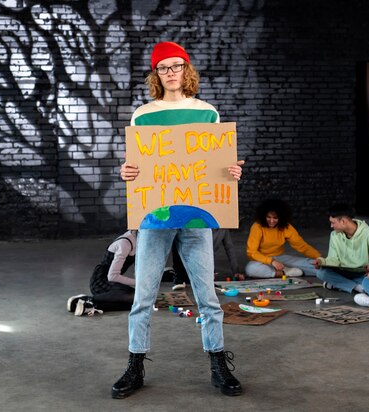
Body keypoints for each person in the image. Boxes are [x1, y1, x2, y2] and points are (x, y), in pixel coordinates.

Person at [113, 41, 244, 399]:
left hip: (197, 219)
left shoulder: (207, 113)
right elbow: (139, 166)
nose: (172, 73)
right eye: (164, 68)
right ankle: (135, 364)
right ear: (156, 74)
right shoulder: (143, 114)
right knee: (143, 295)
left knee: (207, 296)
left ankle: (218, 362)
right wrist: (127, 171)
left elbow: (215, 165)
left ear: (187, 69)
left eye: (177, 66)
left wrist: (230, 171)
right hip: (156, 218)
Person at [313, 204, 369, 294]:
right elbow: (333, 259)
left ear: (343, 221)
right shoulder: (334, 235)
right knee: (321, 273)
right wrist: (322, 262)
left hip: (363, 274)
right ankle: (356, 287)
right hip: (344, 273)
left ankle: (339, 285)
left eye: (333, 223)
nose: (331, 226)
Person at [66, 230, 137, 316]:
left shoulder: (137, 242)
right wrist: (138, 283)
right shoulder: (125, 244)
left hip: (112, 284)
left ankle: (89, 304)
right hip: (100, 281)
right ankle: (89, 300)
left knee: (138, 301)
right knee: (134, 297)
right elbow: (112, 277)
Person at [245, 198, 321, 278]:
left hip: (281, 258)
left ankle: (286, 270)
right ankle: (284, 273)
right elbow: (251, 252)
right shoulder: (257, 226)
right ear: (263, 216)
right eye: (268, 217)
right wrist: (272, 261)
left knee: (315, 265)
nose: (271, 221)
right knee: (251, 269)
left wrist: (318, 257)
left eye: (275, 218)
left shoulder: (286, 227)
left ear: (281, 218)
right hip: (261, 260)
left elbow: (301, 246)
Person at [169, 228, 245, 290]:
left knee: (204, 283)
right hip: (190, 258)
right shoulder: (201, 226)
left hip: (207, 260)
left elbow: (229, 248)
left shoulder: (223, 230)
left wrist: (236, 271)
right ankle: (179, 277)